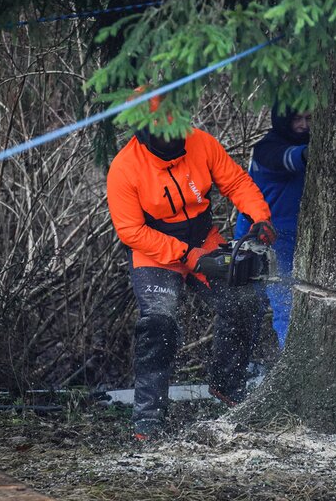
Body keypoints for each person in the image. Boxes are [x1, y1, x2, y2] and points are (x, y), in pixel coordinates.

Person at [106, 87, 277, 441]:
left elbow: (236, 181)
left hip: (204, 238)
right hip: (154, 254)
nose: (176, 136)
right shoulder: (124, 168)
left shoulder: (202, 142)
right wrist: (187, 256)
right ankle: (148, 417)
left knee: (246, 299)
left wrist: (260, 217)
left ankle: (228, 383)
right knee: (158, 323)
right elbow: (131, 231)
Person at [235, 104, 310, 349]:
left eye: (309, 118)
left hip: (297, 237)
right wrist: (309, 153)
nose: (303, 125)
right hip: (267, 240)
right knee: (283, 306)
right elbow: (288, 159)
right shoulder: (267, 149)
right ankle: (287, 359)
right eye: (297, 119)